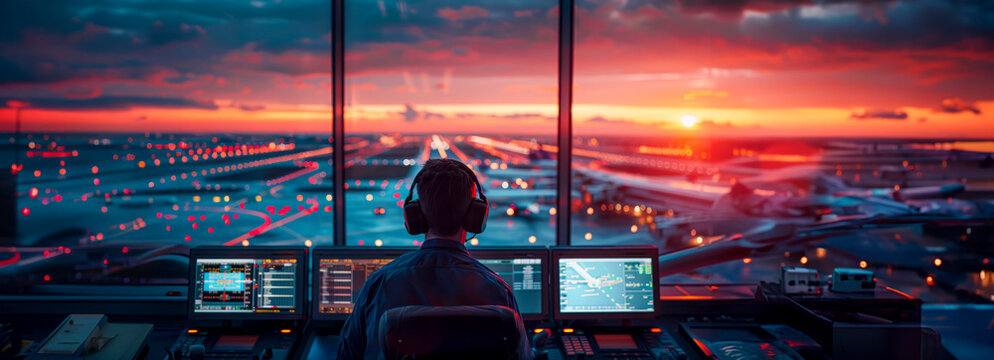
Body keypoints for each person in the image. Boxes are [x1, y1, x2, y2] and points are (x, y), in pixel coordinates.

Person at [336, 158, 530, 360]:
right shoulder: (498, 290)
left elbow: (346, 356)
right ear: (475, 215)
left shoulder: (379, 285)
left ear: (415, 215)